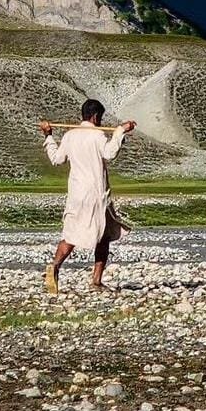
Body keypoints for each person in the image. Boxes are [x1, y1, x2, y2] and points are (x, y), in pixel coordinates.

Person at [38, 99, 136, 293]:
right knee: (104, 237)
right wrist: (119, 131)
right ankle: (96, 280)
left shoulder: (69, 136)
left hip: (76, 195)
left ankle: (55, 266)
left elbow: (57, 159)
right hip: (96, 195)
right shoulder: (96, 135)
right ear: (95, 116)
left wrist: (49, 136)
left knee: (71, 235)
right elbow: (109, 153)